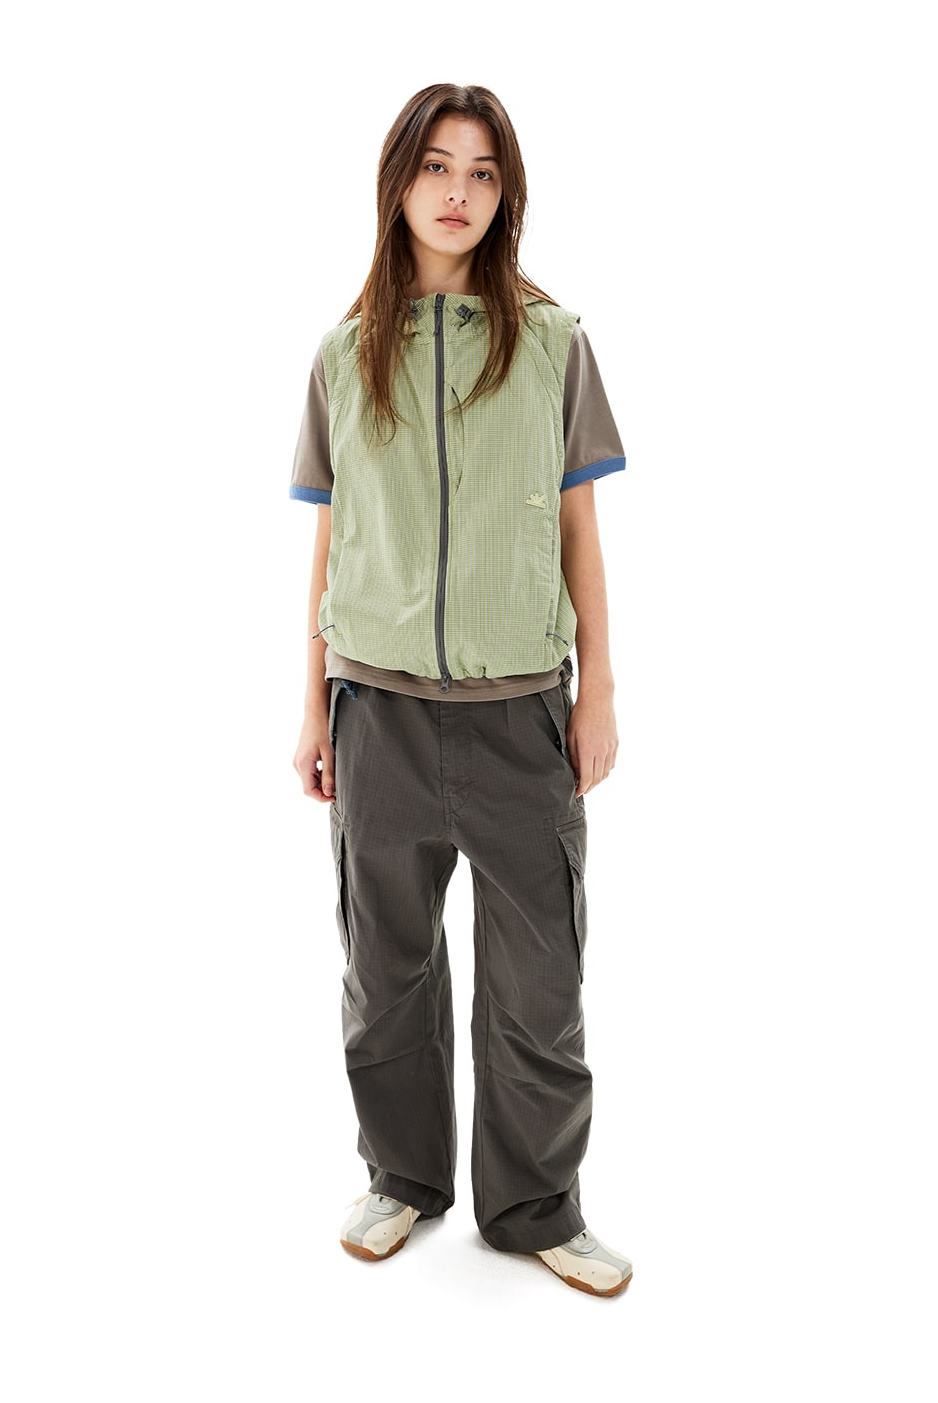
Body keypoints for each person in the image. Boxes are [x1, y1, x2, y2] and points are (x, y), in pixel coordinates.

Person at [289, 83, 633, 1297]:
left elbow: (580, 531)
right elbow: (329, 543)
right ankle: (402, 1179)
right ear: (397, 185)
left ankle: (535, 1206)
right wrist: (311, 703)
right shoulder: (344, 356)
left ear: (505, 195)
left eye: (482, 172)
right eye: (436, 166)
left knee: (538, 985)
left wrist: (597, 691)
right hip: (375, 712)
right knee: (384, 976)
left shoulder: (552, 343)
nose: (457, 192)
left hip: (520, 713)